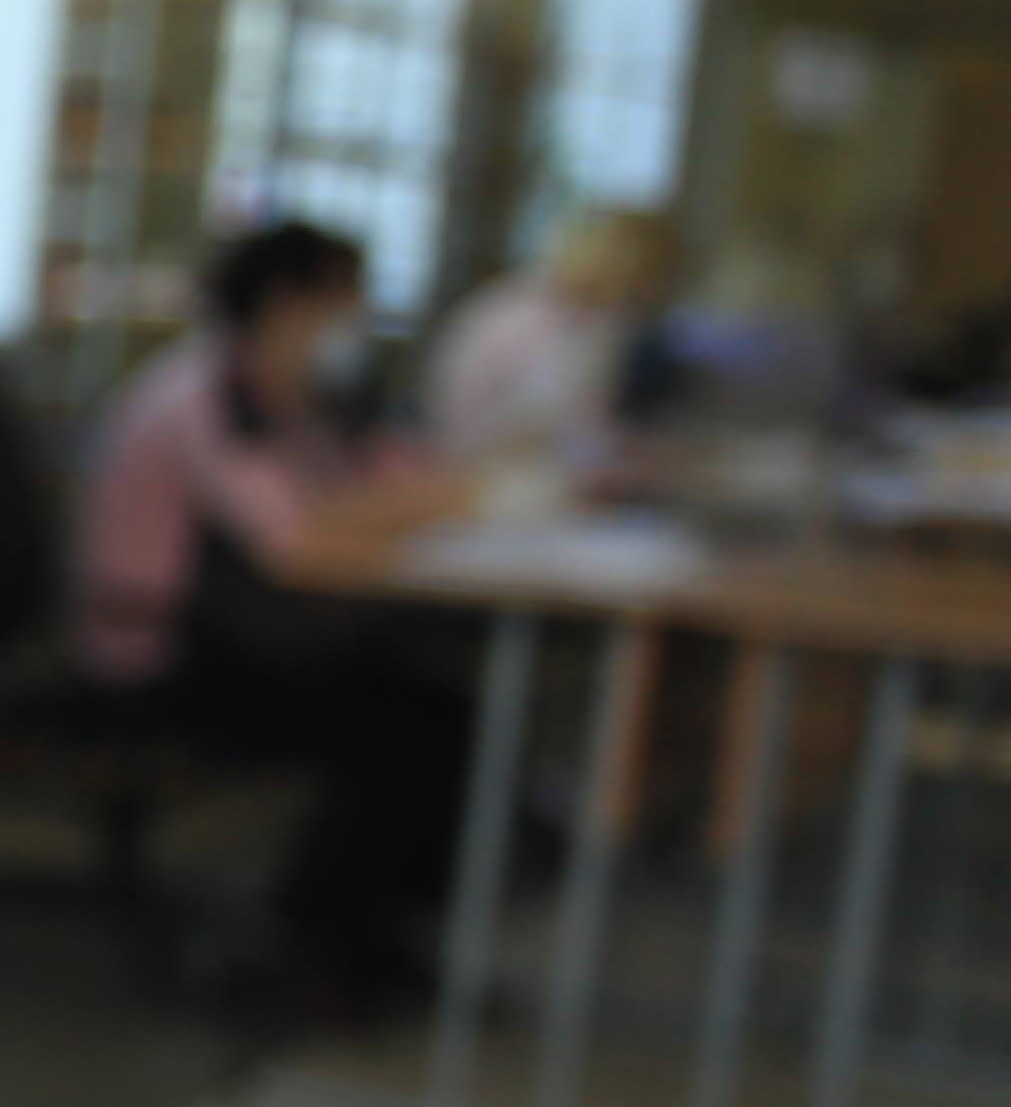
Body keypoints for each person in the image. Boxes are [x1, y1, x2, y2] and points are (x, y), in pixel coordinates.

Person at [77, 218, 483, 1014]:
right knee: (398, 737)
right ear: (283, 302)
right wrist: (423, 502)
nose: (356, 320)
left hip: (251, 640)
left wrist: (414, 481)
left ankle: (366, 935)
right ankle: (292, 946)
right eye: (342, 301)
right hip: (157, 654)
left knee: (444, 714)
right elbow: (291, 538)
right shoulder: (203, 396)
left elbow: (398, 479)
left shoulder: (293, 393)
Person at [428, 206, 674, 465]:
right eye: (645, 279)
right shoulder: (516, 316)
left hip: (546, 468)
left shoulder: (602, 325)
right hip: (475, 464)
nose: (648, 294)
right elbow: (463, 425)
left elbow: (588, 418)